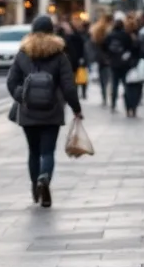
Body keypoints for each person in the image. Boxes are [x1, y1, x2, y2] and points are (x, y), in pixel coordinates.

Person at [6, 15, 82, 208]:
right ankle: (44, 178)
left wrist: (22, 96)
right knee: (47, 151)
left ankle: (35, 187)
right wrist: (76, 108)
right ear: (52, 31)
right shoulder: (59, 54)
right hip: (52, 111)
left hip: (28, 111)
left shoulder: (23, 53)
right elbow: (68, 86)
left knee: (33, 151)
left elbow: (11, 82)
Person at [102, 18, 136, 112]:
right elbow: (131, 48)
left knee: (114, 85)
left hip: (113, 64)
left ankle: (113, 104)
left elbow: (104, 47)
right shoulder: (126, 35)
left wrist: (109, 55)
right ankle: (128, 106)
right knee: (126, 85)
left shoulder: (109, 36)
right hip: (124, 64)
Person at [121, 16, 144, 117]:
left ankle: (128, 108)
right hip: (137, 64)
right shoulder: (140, 36)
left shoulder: (124, 37)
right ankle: (134, 108)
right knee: (137, 88)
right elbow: (143, 51)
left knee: (127, 89)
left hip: (126, 66)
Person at [89, 15, 112, 105]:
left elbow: (93, 43)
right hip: (108, 58)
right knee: (108, 79)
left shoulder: (97, 31)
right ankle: (108, 97)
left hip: (100, 58)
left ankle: (104, 97)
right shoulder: (108, 31)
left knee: (103, 80)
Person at [63, 18, 88, 100]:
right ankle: (76, 93)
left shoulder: (74, 37)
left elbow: (81, 48)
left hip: (74, 61)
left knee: (77, 78)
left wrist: (82, 58)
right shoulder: (66, 36)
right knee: (73, 79)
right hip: (71, 61)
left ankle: (76, 94)